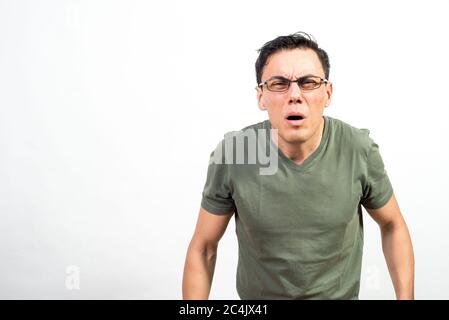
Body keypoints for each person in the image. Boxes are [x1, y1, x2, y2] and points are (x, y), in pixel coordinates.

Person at [182, 32, 414, 300]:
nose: (294, 94)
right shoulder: (235, 153)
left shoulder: (358, 149)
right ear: (261, 97)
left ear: (327, 93)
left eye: (308, 82)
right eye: (279, 84)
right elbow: (203, 247)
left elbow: (393, 224)